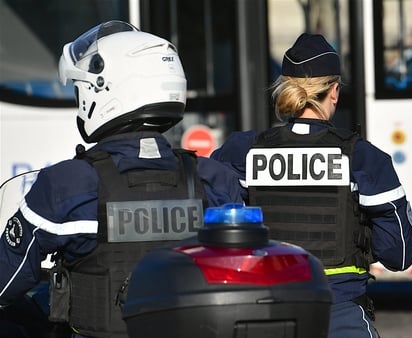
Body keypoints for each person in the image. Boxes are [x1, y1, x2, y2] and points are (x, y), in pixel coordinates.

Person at [0, 20, 244, 338]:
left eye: (81, 90)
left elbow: (5, 282)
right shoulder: (215, 180)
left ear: (106, 92)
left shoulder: (68, 184)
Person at [210, 33, 412, 338]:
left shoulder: (241, 151)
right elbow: (399, 255)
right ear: (334, 91)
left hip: (264, 314)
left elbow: (213, 224)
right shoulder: (362, 158)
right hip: (341, 313)